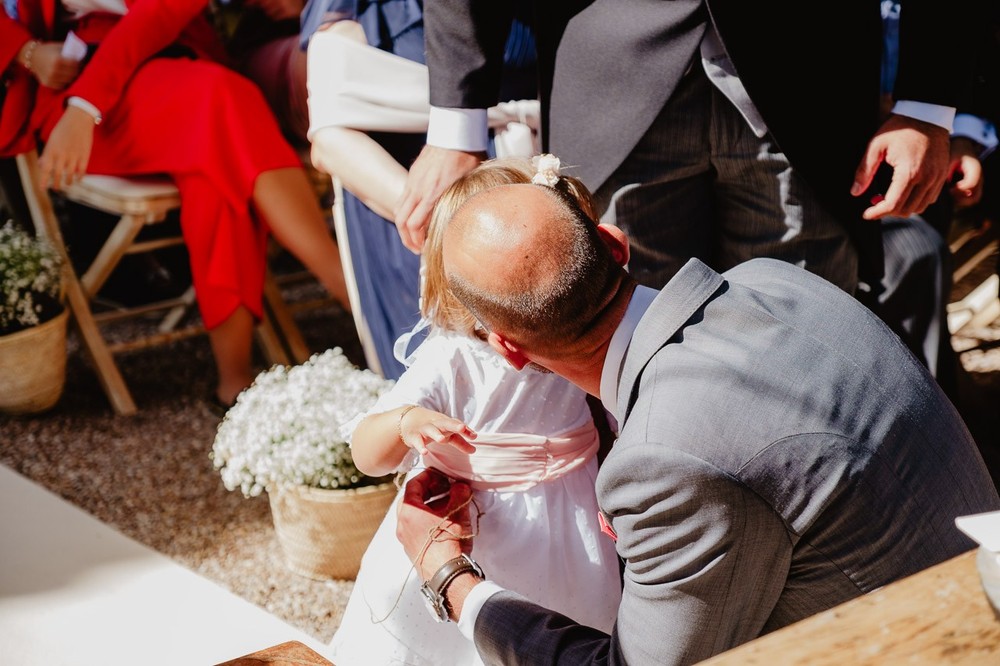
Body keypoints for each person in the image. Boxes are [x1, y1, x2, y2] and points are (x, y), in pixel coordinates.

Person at [393, 156, 1000, 665]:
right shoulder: (776, 279)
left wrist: (453, 582)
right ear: (613, 243)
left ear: (509, 349)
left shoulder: (663, 459)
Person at [392, 2, 968, 319]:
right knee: (633, 365)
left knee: (811, 346)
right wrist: (456, 122)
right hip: (607, 77)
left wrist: (928, 102)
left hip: (808, 81)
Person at [328, 157, 621, 666]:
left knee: (567, 631)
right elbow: (367, 454)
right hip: (484, 526)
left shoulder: (568, 327)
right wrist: (406, 423)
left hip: (574, 517)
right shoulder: (454, 356)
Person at [0, 0, 352, 410]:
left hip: (163, 65)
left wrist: (87, 105)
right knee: (222, 104)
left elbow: (162, 11)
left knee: (214, 146)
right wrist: (28, 53)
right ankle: (353, 294)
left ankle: (236, 385)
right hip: (70, 90)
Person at [303, 0, 537, 379]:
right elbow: (330, 134)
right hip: (419, 205)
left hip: (547, 178)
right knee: (447, 391)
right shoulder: (362, 14)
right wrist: (451, 227)